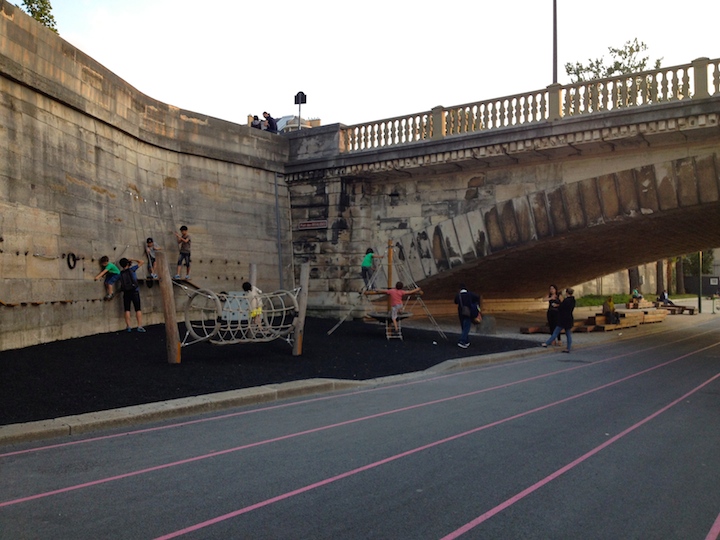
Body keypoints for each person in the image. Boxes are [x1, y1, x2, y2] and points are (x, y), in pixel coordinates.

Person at [543, 288, 576, 353]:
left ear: (567, 293)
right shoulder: (573, 300)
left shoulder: (566, 300)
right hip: (569, 318)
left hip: (563, 319)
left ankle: (547, 343)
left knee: (556, 331)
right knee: (568, 334)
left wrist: (556, 306)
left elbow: (561, 308)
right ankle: (568, 348)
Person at [118, 257, 146, 332]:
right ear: (127, 263)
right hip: (134, 291)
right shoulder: (132, 269)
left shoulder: (120, 273)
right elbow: (142, 261)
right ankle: (139, 326)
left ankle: (128, 326)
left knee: (127, 309)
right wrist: (133, 259)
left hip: (126, 292)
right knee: (138, 309)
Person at [454, 284, 480, 349]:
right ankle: (462, 341)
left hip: (461, 313)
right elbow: (477, 297)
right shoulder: (470, 294)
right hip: (468, 312)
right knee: (467, 327)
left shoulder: (458, 295)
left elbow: (455, 302)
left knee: (464, 327)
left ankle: (466, 341)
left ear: (459, 289)